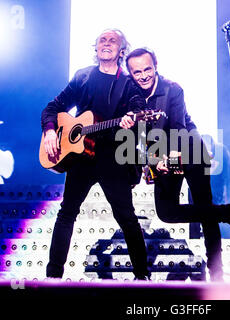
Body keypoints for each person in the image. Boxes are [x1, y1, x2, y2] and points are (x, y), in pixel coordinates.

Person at [124, 48, 230, 281]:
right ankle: (227, 213)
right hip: (159, 154)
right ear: (131, 73)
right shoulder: (132, 97)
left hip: (190, 148)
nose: (143, 76)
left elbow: (178, 130)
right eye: (136, 71)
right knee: (167, 212)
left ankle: (217, 274)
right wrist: (147, 162)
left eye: (147, 69)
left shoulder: (173, 89)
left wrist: (160, 160)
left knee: (204, 209)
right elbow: (137, 134)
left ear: (156, 65)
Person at [41, 29, 150, 280]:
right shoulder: (83, 77)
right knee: (67, 212)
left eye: (113, 40)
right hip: (81, 157)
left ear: (122, 50)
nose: (107, 43)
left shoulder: (128, 82)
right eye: (103, 39)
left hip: (112, 157)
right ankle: (53, 277)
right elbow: (53, 108)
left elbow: (138, 106)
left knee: (126, 216)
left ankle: (142, 278)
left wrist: (131, 118)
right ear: (96, 48)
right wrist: (49, 131)